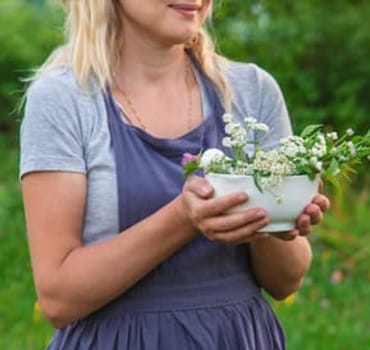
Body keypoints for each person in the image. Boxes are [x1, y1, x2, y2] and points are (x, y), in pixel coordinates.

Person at [17, 0, 328, 348]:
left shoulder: (252, 91)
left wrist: (267, 221)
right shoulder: (63, 100)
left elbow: (286, 281)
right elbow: (59, 298)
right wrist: (183, 218)